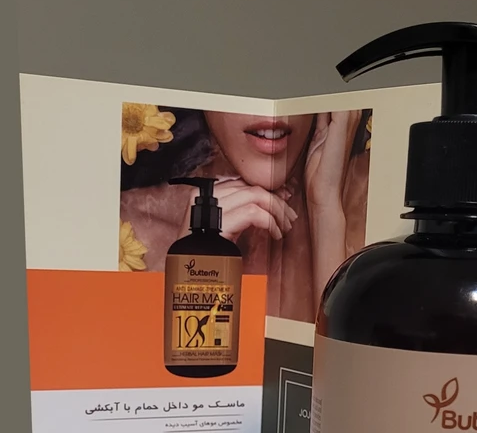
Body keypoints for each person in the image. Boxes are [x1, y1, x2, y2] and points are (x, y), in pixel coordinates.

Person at [120, 106, 371, 323]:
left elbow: (353, 364)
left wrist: (325, 214)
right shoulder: (125, 232)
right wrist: (195, 273)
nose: (269, 113)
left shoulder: (375, 204)